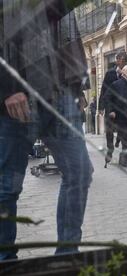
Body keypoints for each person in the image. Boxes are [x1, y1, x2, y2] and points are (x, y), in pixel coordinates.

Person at [0, 0, 93, 259]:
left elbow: (65, 30)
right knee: (7, 187)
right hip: (18, 94)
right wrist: (6, 88)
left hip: (61, 92)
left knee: (79, 173)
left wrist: (76, 89)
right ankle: (6, 260)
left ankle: (67, 254)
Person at [98, 51, 127, 163]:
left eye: (125, 61)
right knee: (109, 130)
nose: (123, 63)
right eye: (122, 61)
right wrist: (101, 106)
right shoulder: (109, 73)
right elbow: (104, 90)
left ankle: (124, 152)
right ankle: (110, 148)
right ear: (117, 60)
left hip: (123, 108)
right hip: (110, 106)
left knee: (124, 129)